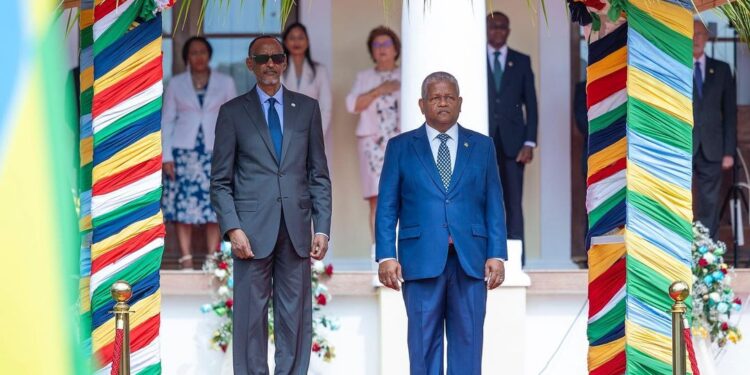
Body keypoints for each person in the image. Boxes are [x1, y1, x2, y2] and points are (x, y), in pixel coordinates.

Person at [211, 35, 331, 375]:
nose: (270, 65)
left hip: (295, 229)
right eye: (262, 59)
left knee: (295, 317)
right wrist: (233, 228)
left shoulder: (307, 109)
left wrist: (322, 226)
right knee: (250, 317)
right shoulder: (232, 112)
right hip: (249, 233)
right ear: (250, 64)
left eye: (276, 58)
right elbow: (220, 181)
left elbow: (318, 174)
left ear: (284, 62)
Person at [376, 72, 507, 374]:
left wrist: (496, 254)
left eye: (449, 97)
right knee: (423, 349)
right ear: (422, 104)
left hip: (471, 262)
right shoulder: (400, 147)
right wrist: (386, 256)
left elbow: (494, 205)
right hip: (420, 262)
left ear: (460, 102)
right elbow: (387, 207)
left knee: (469, 347)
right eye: (435, 98)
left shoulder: (483, 146)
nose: (443, 103)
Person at [162, 36, 237, 269]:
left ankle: (211, 259)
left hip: (216, 153)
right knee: (183, 207)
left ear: (209, 55)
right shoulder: (176, 83)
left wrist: (235, 153)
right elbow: (167, 120)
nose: (199, 56)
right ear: (187, 57)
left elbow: (235, 119)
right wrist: (166, 156)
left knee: (214, 206)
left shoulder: (225, 82)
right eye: (194, 52)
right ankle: (185, 259)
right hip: (183, 153)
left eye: (203, 52)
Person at [486, 11, 538, 264]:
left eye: (502, 27)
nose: (497, 31)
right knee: (481, 197)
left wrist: (529, 142)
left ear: (508, 30)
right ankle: (485, 253)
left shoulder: (521, 60)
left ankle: (517, 258)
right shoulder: (471, 57)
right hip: (480, 142)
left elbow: (532, 104)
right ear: (485, 29)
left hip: (514, 144)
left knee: (513, 201)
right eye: (493, 26)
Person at [346, 26, 401, 240]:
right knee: (376, 198)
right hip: (373, 145)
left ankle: (404, 255)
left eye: (386, 44)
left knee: (406, 196)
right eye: (376, 45)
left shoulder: (406, 73)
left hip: (401, 141)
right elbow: (353, 104)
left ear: (396, 49)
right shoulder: (364, 77)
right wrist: (380, 89)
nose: (381, 49)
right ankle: (381, 255)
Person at [692, 20, 737, 238]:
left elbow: (729, 113)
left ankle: (706, 254)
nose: (695, 38)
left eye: (700, 34)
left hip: (712, 147)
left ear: (707, 38)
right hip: (683, 145)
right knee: (678, 199)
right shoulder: (676, 69)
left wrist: (728, 151)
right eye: (691, 33)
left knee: (709, 202)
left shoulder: (721, 69)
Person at [282, 22, 332, 140]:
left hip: (312, 130)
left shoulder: (320, 70)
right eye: (292, 38)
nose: (296, 42)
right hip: (283, 131)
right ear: (285, 42)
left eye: (300, 37)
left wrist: (318, 134)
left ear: (308, 41)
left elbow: (326, 106)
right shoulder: (277, 69)